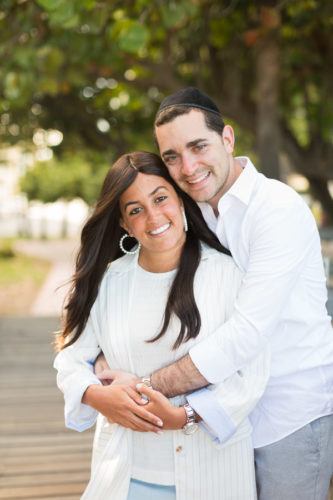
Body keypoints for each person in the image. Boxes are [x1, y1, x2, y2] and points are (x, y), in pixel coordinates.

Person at [95, 88, 333, 500]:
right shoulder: (193, 210)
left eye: (198, 146)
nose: (187, 167)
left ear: (227, 139)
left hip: (289, 417)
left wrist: (143, 388)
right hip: (224, 421)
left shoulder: (276, 209)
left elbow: (245, 333)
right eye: (172, 156)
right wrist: (106, 355)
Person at [54, 151, 269, 500]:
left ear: (181, 202)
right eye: (135, 210)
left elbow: (251, 375)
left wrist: (181, 416)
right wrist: (95, 395)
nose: (153, 217)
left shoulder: (227, 275)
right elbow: (70, 358)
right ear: (124, 224)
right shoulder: (107, 282)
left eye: (160, 198)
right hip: (126, 472)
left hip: (212, 471)